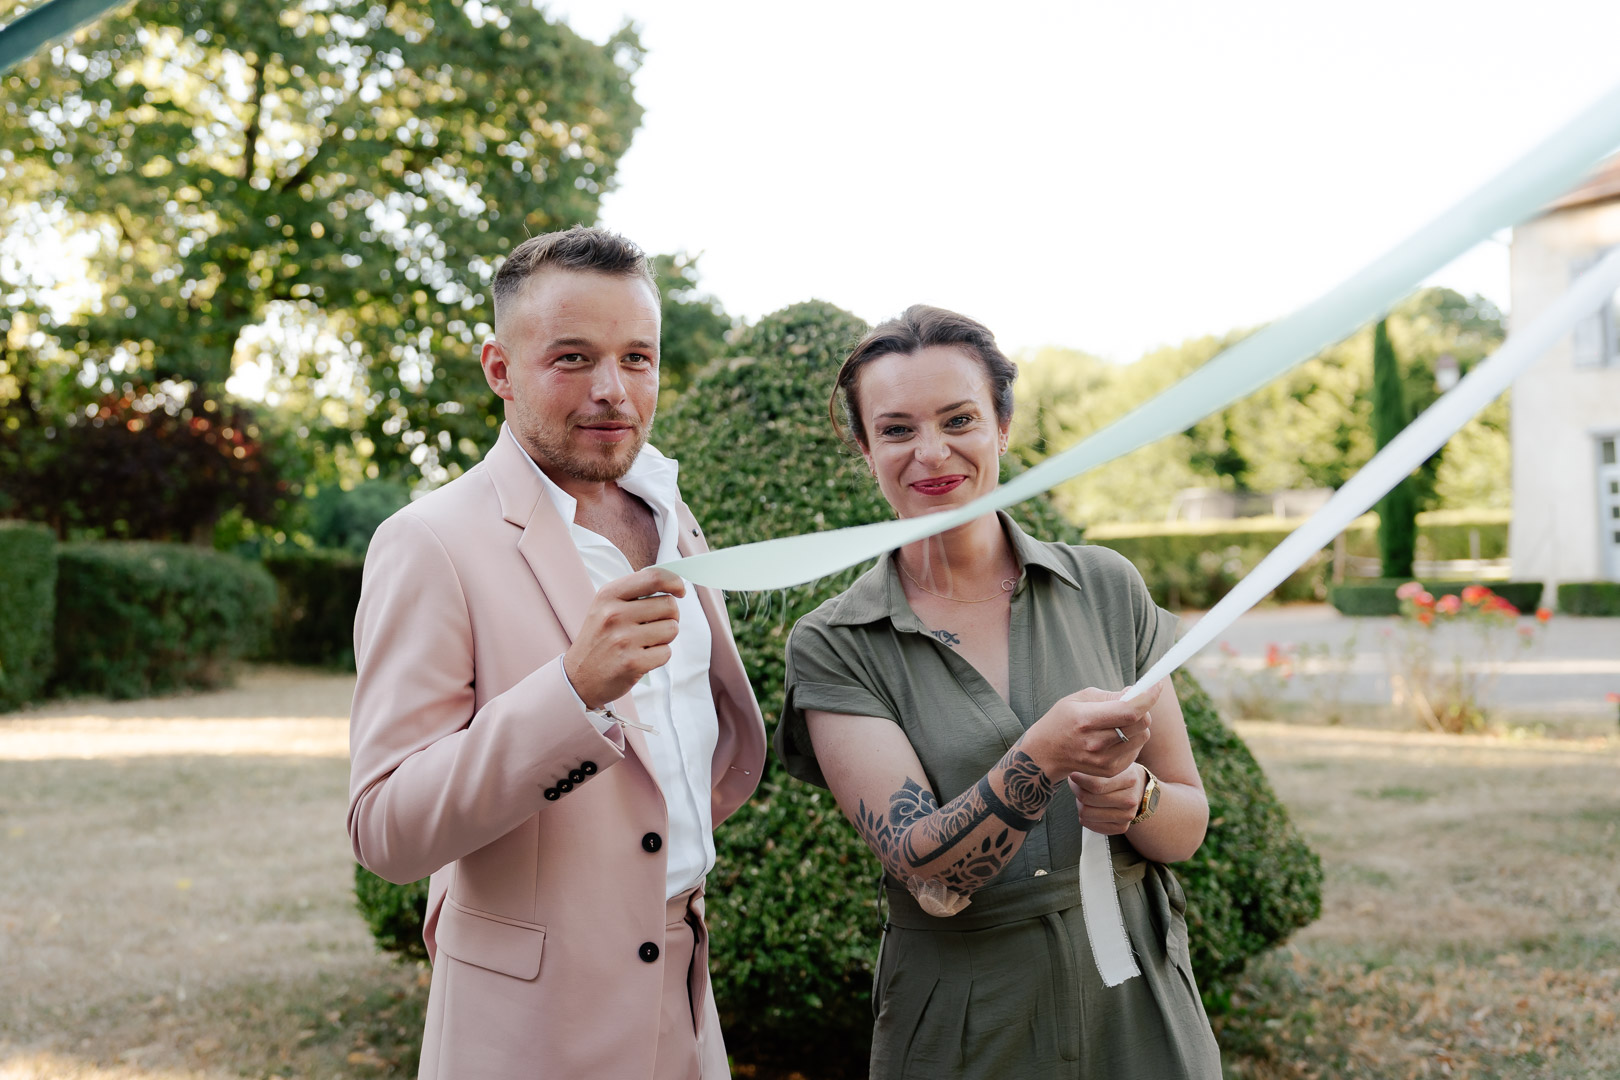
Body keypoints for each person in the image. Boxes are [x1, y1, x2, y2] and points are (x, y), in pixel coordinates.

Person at [348, 225, 766, 1080]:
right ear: (499, 369)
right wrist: (572, 691)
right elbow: (384, 829)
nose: (613, 390)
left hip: (687, 992)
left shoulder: (674, 513)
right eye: (573, 358)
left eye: (638, 358)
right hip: (528, 1026)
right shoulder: (428, 542)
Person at [777, 305, 1223, 1078]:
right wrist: (1041, 756)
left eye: (959, 420)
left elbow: (1186, 826)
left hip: (1138, 1005)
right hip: (966, 1021)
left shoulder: (1106, 587)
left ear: (1003, 427)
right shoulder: (838, 643)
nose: (932, 452)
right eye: (896, 430)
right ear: (864, 449)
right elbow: (931, 872)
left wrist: (1139, 798)